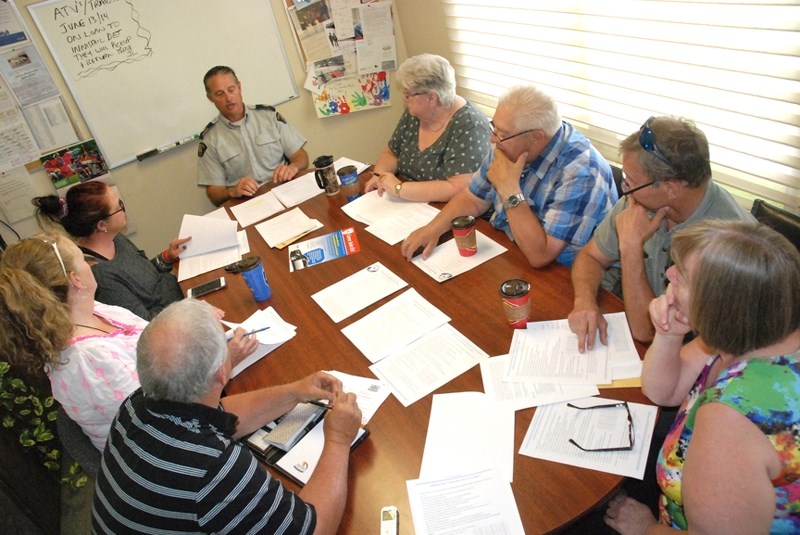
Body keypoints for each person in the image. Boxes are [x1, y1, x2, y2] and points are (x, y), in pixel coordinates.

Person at [92, 299, 362, 534]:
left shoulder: (137, 403)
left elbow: (219, 414)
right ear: (222, 372)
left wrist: (293, 392)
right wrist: (339, 439)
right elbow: (316, 529)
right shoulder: (215, 467)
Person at [604, 220, 800, 534]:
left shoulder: (732, 419)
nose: (669, 274)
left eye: (680, 275)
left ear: (719, 309)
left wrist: (645, 529)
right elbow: (661, 392)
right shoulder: (751, 334)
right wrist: (669, 334)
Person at [0, 234, 257, 452]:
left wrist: (191, 319)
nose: (91, 263)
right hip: (175, 450)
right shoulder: (86, 363)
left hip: (190, 402)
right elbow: (171, 421)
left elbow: (155, 341)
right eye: (83, 259)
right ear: (75, 280)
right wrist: (226, 360)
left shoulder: (92, 309)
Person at [568, 116, 753, 350]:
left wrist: (631, 246)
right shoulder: (642, 201)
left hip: (692, 353)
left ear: (670, 188)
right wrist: (584, 301)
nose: (626, 191)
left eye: (630, 183)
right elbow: (591, 256)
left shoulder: (725, 243)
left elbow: (647, 331)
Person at [401, 84, 617, 268]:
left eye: (501, 134)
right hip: (509, 248)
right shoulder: (508, 143)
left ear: (536, 137)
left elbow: (540, 256)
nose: (493, 140)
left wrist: (509, 189)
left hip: (564, 273)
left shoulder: (581, 173)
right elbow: (473, 198)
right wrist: (432, 229)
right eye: (494, 128)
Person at [34, 181, 188, 321]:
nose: (123, 208)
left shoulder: (115, 239)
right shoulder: (101, 274)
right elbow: (145, 323)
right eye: (118, 207)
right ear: (101, 225)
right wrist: (182, 299)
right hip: (176, 316)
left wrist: (166, 257)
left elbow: (146, 280)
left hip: (182, 296)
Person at [363, 54, 491, 203]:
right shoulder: (415, 113)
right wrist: (379, 176)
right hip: (405, 202)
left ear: (431, 98)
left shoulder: (470, 125)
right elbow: (391, 152)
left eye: (408, 94)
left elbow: (458, 188)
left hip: (442, 208)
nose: (405, 98)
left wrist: (399, 188)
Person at [198, 65, 309, 206]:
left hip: (285, 190)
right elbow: (214, 193)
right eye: (220, 94)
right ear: (210, 98)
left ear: (239, 87)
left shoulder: (268, 116)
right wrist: (232, 191)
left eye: (231, 90)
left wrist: (293, 167)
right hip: (248, 204)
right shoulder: (209, 140)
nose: (228, 98)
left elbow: (301, 157)